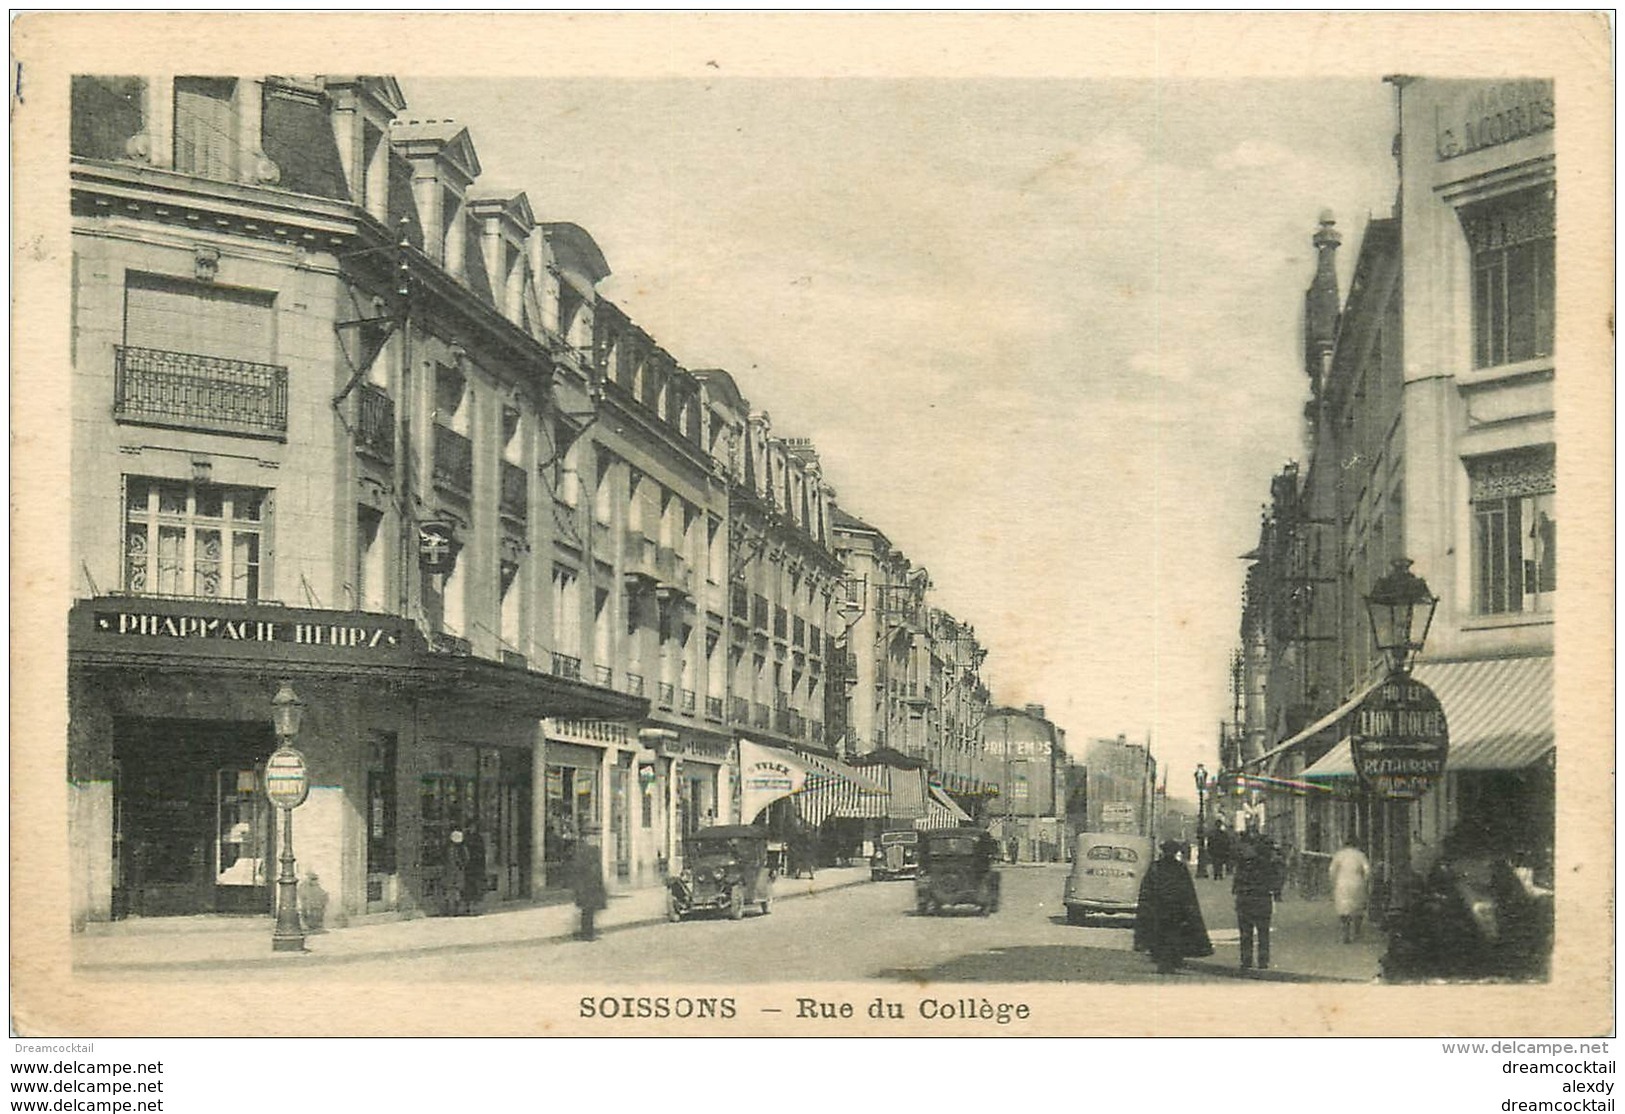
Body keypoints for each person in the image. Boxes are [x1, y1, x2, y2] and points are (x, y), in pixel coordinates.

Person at [1133, 839, 1214, 974]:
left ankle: (1162, 960)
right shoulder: (1180, 868)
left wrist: (1146, 906)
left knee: (1160, 935)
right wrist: (1188, 909)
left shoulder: (1156, 866)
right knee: (1173, 935)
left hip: (1159, 908)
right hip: (1175, 910)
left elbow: (1146, 888)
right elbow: (1187, 891)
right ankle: (1171, 960)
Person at [1232, 832, 1281, 970]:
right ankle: (1263, 961)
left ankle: (1246, 960)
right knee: (1263, 933)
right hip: (1262, 900)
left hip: (1245, 900)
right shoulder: (1268, 865)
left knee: (1245, 933)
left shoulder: (1243, 864)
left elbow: (1236, 884)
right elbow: (1275, 882)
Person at [1328, 835, 1372, 944]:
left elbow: (1332, 870)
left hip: (1342, 883)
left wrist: (1333, 882)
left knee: (1344, 908)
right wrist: (1366, 882)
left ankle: (1346, 933)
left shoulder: (1339, 855)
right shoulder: (1360, 855)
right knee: (1358, 907)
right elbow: (1367, 870)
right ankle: (1357, 932)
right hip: (1357, 882)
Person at [572, 823, 608, 941]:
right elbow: (579, 869)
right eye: (592, 836)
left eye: (596, 836)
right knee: (587, 910)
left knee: (590, 910)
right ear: (586, 837)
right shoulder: (583, 850)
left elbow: (597, 869)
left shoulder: (594, 849)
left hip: (593, 884)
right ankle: (586, 933)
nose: (595, 839)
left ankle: (589, 932)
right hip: (586, 885)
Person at [462, 823, 487, 916]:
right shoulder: (467, 838)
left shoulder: (478, 838)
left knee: (476, 888)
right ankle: (468, 908)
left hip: (476, 866)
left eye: (472, 827)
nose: (470, 828)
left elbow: (482, 853)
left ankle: (475, 908)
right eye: (469, 827)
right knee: (468, 888)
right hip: (469, 867)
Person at [443, 827, 470, 916]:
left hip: (451, 872)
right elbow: (465, 859)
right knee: (455, 891)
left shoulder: (449, 848)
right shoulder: (460, 849)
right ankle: (455, 910)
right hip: (456, 872)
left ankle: (452, 910)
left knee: (451, 892)